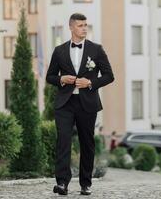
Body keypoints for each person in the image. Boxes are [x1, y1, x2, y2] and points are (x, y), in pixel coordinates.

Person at [46, 13, 114, 196]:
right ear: (71, 27)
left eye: (86, 25)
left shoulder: (96, 50)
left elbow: (109, 76)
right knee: (63, 141)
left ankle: (86, 184)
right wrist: (61, 79)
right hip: (65, 103)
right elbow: (49, 77)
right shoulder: (59, 50)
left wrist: (90, 83)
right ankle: (62, 183)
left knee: (87, 143)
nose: (84, 28)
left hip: (87, 103)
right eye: (80, 25)